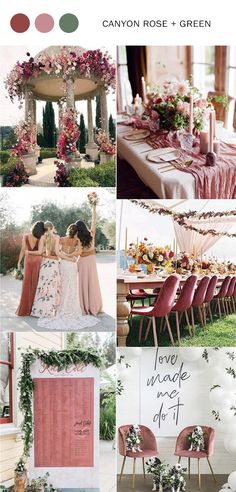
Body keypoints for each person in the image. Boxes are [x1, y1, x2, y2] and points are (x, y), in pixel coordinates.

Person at [40, 224, 99, 330]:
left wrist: (65, 257)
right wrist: (71, 257)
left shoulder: (61, 239)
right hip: (72, 264)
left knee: (62, 285)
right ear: (76, 232)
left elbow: (58, 252)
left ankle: (61, 307)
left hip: (63, 264)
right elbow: (79, 252)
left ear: (67, 230)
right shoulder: (77, 240)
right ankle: (71, 308)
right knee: (72, 287)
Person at [30, 221, 61, 323]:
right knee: (52, 287)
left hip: (45, 264)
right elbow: (57, 253)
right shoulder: (57, 237)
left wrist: (29, 252)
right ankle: (51, 311)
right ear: (53, 227)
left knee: (43, 287)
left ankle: (40, 311)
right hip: (54, 265)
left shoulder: (42, 237)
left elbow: (39, 253)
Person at [75, 203, 102, 316]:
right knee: (92, 282)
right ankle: (94, 306)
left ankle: (84, 306)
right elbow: (94, 221)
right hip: (91, 261)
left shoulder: (77, 238)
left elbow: (77, 253)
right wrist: (94, 207)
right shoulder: (91, 234)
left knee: (83, 283)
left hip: (81, 261)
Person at [16, 221, 45, 316]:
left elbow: (23, 250)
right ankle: (34, 309)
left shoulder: (26, 236)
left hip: (28, 261)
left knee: (27, 284)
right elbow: (40, 252)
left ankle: (24, 309)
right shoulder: (41, 237)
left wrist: (19, 261)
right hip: (37, 261)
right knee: (36, 283)